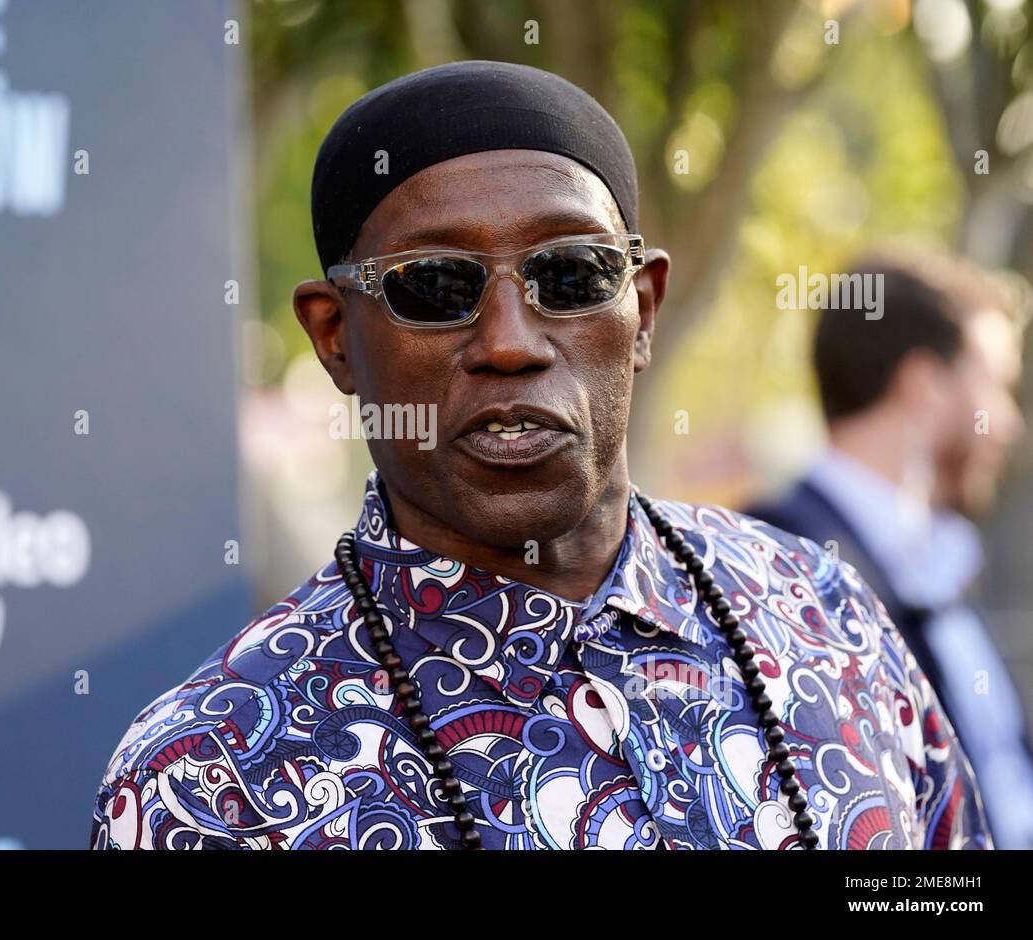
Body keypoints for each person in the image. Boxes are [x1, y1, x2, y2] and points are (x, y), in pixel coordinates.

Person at [90, 60, 989, 850]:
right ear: (334, 339)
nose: (511, 342)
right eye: (434, 285)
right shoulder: (210, 781)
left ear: (643, 307)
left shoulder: (826, 616)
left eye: (570, 276)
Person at [746, 250, 1032, 848]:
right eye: (996, 388)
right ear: (923, 386)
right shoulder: (772, 568)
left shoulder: (937, 565)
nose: (1008, 424)